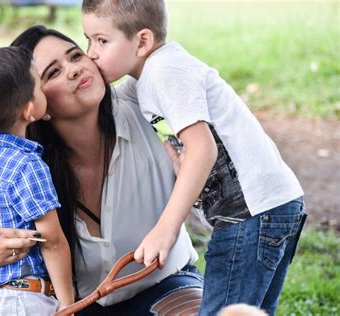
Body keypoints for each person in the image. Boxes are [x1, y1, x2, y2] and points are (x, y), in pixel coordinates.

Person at [0, 25, 203, 315]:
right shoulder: (21, 169)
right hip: (74, 306)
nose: (74, 70)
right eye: (53, 73)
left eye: (76, 56)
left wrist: (196, 189)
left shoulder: (146, 113)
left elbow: (221, 214)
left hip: (162, 287)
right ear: (31, 106)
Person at [81, 1, 307, 315]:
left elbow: (203, 149)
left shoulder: (165, 72)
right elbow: (110, 104)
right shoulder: (143, 77)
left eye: (102, 41)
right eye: (87, 40)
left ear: (142, 41)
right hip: (272, 205)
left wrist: (166, 228)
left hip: (251, 214)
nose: (90, 52)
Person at [0, 46, 74, 314]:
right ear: (29, 111)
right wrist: (68, 303)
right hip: (24, 299)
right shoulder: (27, 165)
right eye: (40, 88)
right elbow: (51, 240)